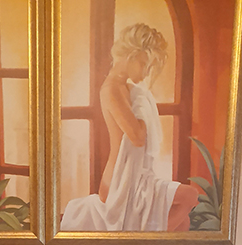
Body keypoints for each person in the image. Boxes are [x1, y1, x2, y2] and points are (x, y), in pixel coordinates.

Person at [60, 23, 200, 232]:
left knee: (183, 223)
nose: (145, 73)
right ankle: (143, 239)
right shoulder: (111, 89)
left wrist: (140, 98)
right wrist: (142, 103)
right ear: (130, 57)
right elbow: (137, 137)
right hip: (121, 179)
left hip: (137, 175)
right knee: (190, 196)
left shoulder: (126, 88)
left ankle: (149, 244)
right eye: (143, 64)